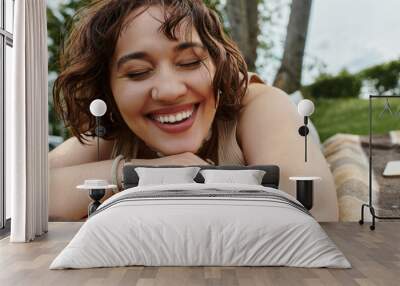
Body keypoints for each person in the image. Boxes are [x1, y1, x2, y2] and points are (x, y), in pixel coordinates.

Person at [49, 0, 338, 222]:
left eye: (189, 62)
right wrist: (144, 171)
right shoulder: (122, 128)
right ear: (109, 92)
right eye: (137, 72)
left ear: (218, 65)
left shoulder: (258, 104)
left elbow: (314, 214)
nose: (170, 90)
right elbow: (19, 192)